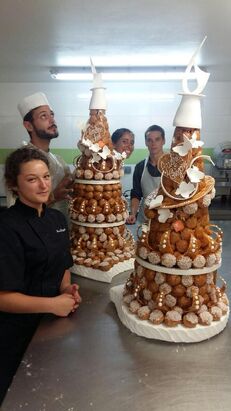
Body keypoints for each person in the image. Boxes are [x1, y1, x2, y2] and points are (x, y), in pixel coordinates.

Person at [0, 147, 81, 404]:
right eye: (32, 179)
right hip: (15, 333)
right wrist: (54, 304)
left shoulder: (57, 218)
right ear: (15, 185)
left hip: (50, 327)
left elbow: (62, 267)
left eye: (46, 177)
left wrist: (66, 290)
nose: (43, 185)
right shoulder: (7, 227)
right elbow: (3, 297)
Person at [7, 92, 73, 220]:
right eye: (44, 116)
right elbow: (14, 210)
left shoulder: (59, 161)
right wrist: (54, 196)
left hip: (62, 229)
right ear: (29, 125)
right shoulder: (20, 162)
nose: (52, 120)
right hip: (34, 234)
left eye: (52, 115)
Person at [127, 124, 165, 224]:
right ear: (146, 142)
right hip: (146, 219)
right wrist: (133, 213)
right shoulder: (140, 167)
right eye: (149, 140)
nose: (153, 144)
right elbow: (136, 194)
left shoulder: (172, 165)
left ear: (163, 141)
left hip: (169, 220)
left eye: (157, 139)